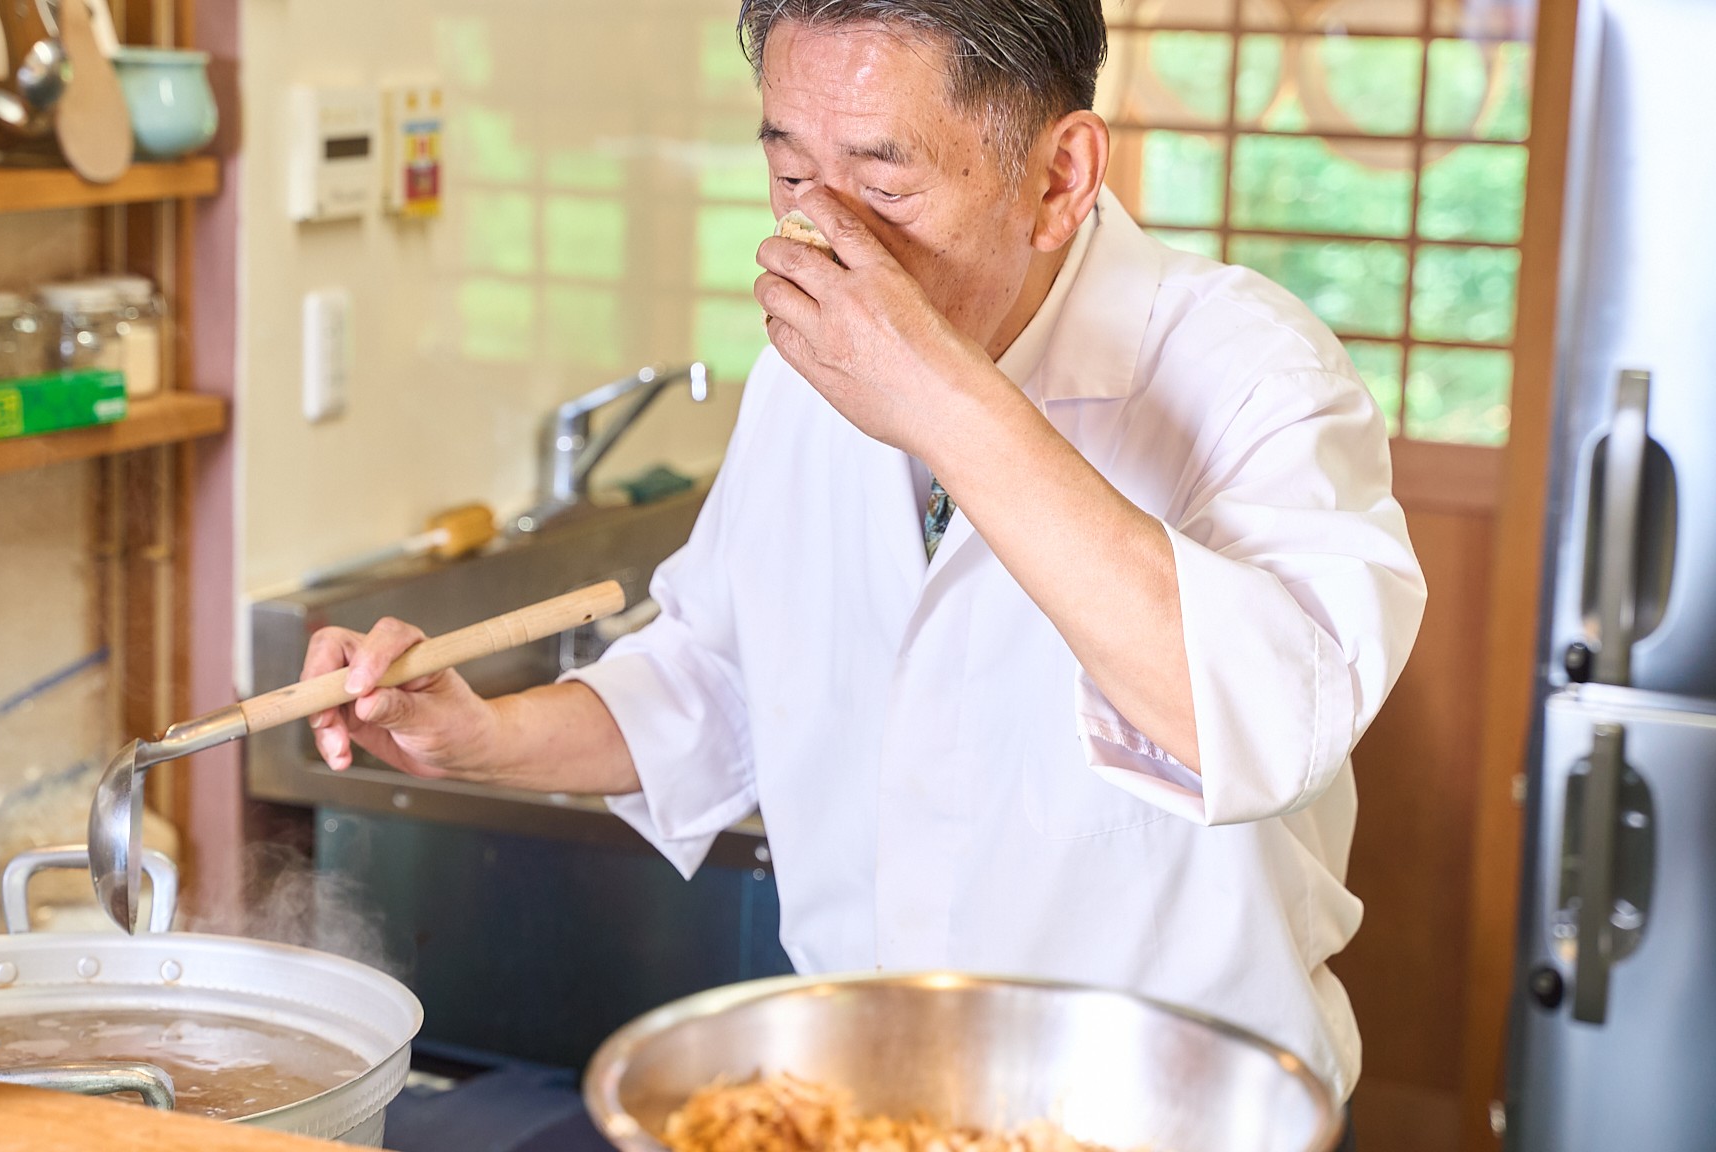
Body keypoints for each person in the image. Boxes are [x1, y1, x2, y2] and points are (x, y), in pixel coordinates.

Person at [305, 2, 1421, 1145]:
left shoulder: (1251, 370)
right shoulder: (806, 377)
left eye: (882, 186)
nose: (817, 236)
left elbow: (1262, 723)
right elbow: (713, 672)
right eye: (788, 170)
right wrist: (482, 736)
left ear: (1058, 175)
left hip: (1157, 1115)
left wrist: (936, 395)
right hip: (862, 1104)